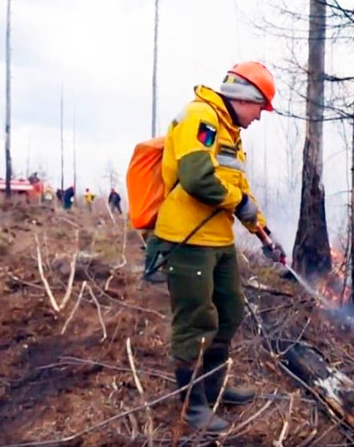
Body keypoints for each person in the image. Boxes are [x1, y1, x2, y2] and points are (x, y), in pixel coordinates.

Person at [152, 61, 286, 433]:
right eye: (261, 108)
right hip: (187, 239)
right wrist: (239, 203)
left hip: (218, 239)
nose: (260, 117)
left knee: (229, 312)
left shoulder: (230, 132)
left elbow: (237, 192)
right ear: (247, 97)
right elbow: (197, 179)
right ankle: (192, 408)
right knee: (196, 322)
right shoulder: (201, 118)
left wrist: (263, 232)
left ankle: (213, 388)